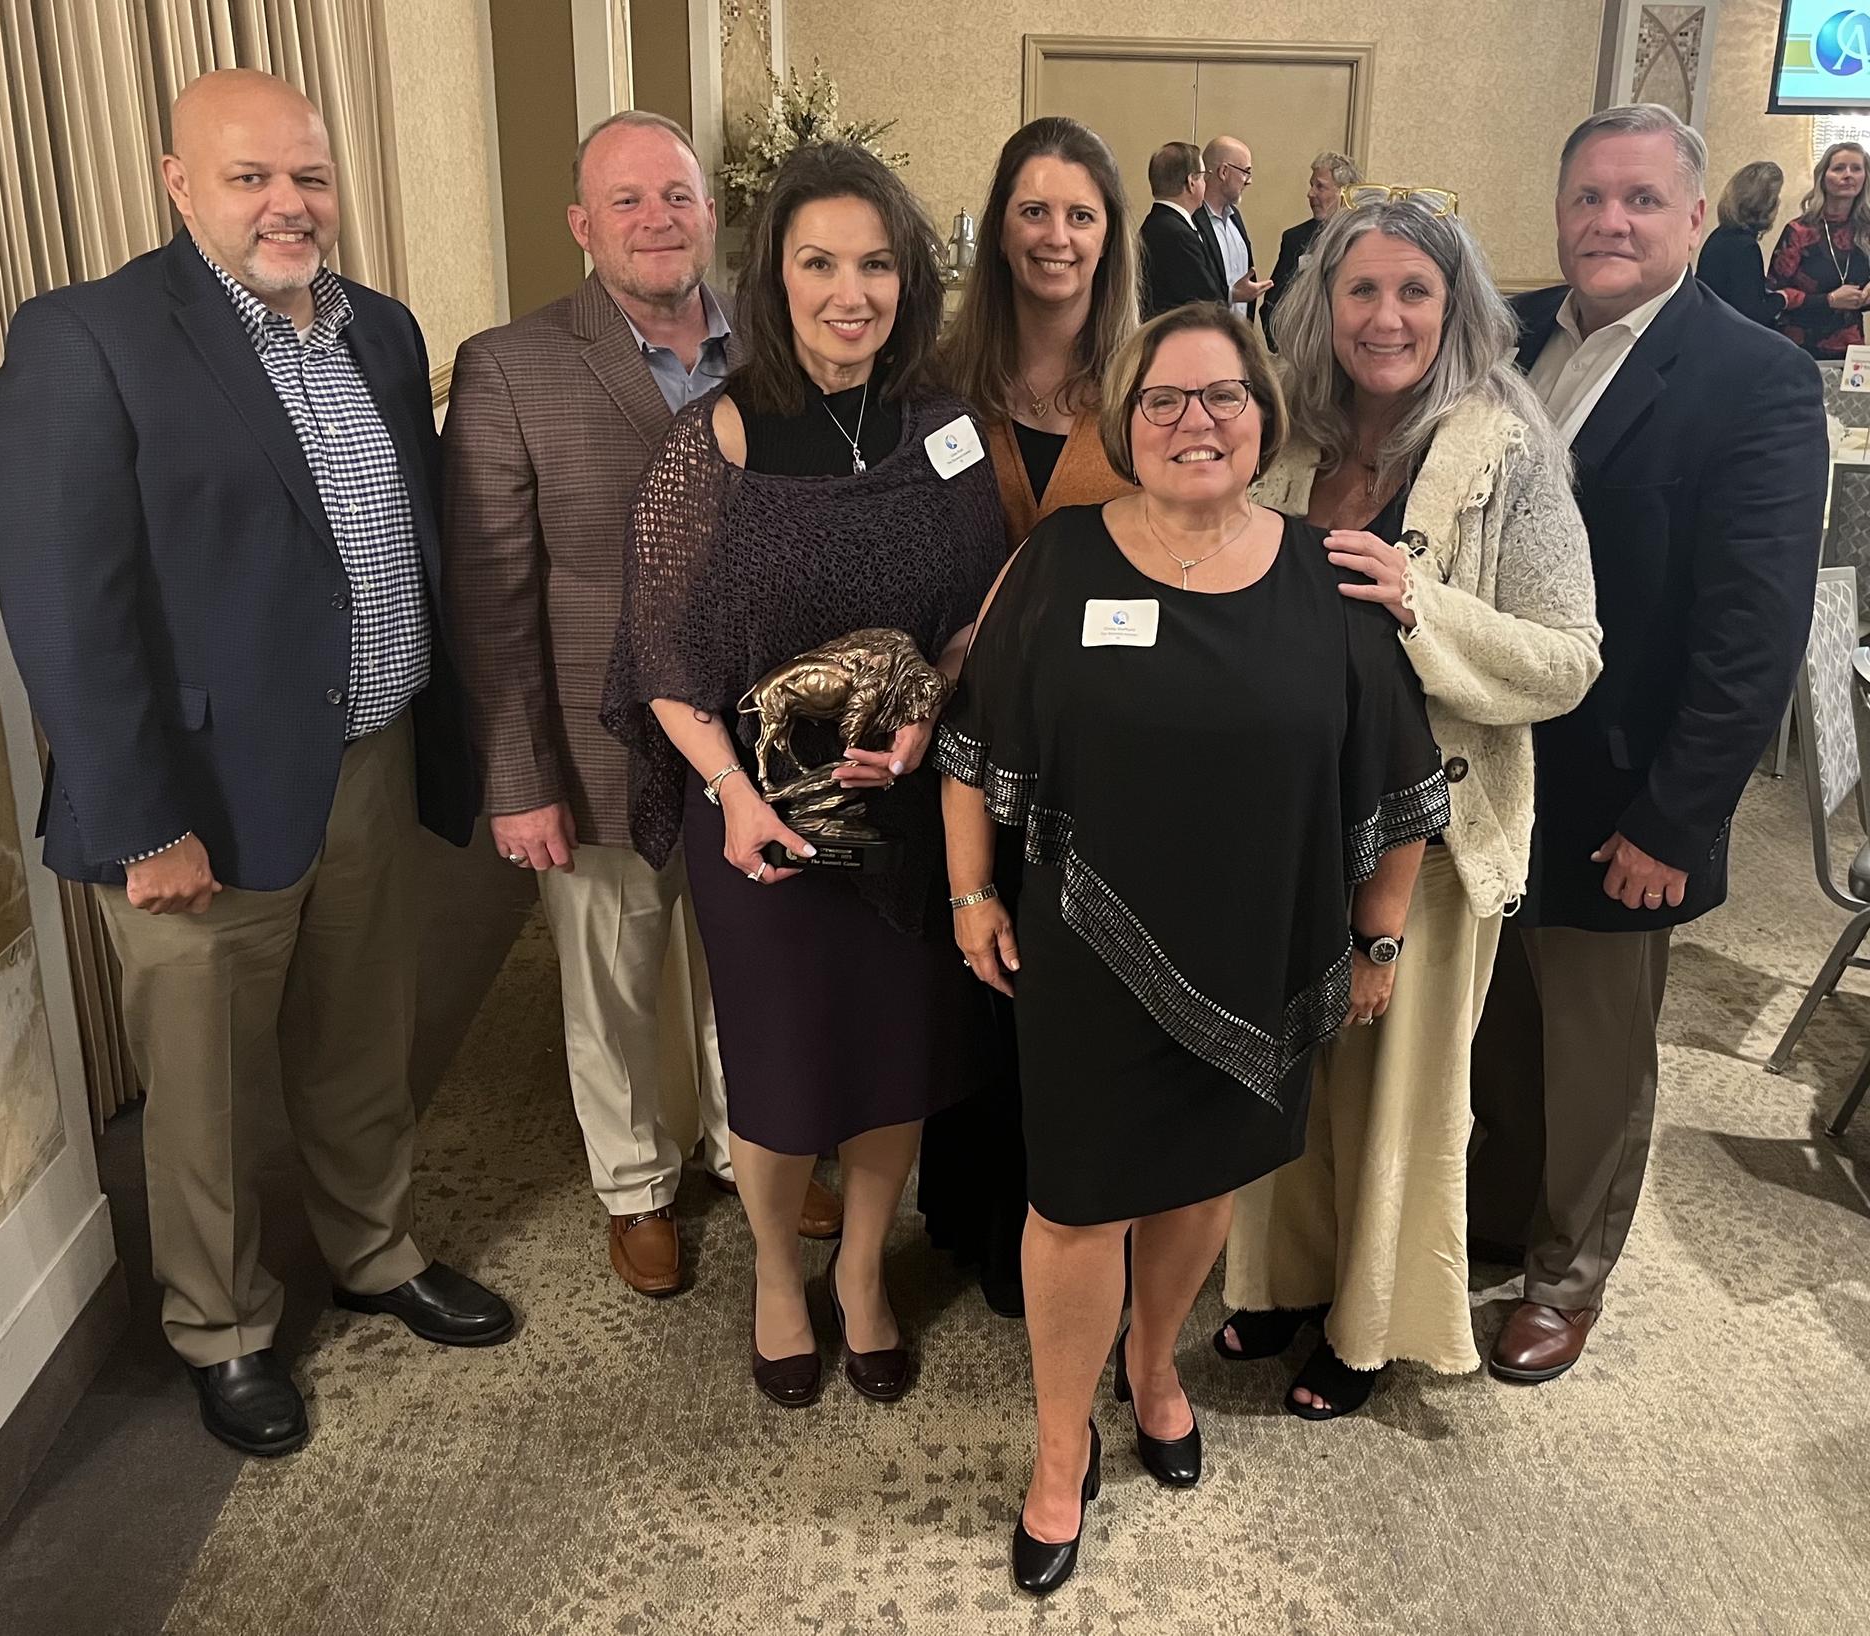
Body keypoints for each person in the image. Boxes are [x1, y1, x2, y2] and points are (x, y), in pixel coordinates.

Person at [0, 70, 512, 1458]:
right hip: (196, 804)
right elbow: (66, 611)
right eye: (250, 178)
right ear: (176, 183)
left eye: (310, 176)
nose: (289, 204)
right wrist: (143, 818)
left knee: (358, 1042)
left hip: (369, 757)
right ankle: (219, 1328)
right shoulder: (88, 338)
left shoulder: (382, 333)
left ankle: (375, 1249)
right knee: (206, 1088)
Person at [939, 302, 1446, 1595]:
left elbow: (1399, 782)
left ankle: (1154, 1364)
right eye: (1163, 399)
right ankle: (1061, 1452)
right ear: (1123, 420)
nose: (1194, 422)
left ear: (1266, 420)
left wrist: (1375, 941)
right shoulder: (1059, 562)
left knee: (1201, 1186)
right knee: (1073, 1205)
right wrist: (967, 893)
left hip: (1258, 951)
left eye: (1223, 397)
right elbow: (971, 736)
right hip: (1083, 950)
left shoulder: (1327, 572)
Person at [601, 142, 1006, 1409]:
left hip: (900, 811)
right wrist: (729, 794)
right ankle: (781, 1272)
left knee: (895, 1062)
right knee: (781, 1078)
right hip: (760, 820)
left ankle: (866, 1275)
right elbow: (660, 654)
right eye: (819, 262)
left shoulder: (942, 429)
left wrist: (935, 708)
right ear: (773, 278)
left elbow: (977, 608)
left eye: (876, 264)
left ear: (909, 278)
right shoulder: (711, 437)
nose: (851, 291)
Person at [442, 112, 840, 1302]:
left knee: (752, 960)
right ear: (581, 225)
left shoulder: (780, 350)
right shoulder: (509, 366)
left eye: (675, 197)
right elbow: (492, 594)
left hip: (760, 731)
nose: (656, 221)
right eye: (626, 201)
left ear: (711, 214)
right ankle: (636, 1187)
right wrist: (518, 781)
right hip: (594, 737)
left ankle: (744, 1145)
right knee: (612, 975)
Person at [1218, 201, 1602, 1419]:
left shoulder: (1506, 451)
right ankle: (1277, 1277)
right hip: (1281, 824)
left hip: (1426, 836)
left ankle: (1366, 1323)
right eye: (1363, 292)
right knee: (1285, 1069)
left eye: (1415, 294)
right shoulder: (1287, 440)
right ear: (1322, 307)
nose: (1387, 318)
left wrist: (1420, 602)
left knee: (1398, 1094)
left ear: (1456, 309)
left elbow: (1568, 657)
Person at [1470, 103, 1826, 1383]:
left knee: (1597, 1050)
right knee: (1497, 1022)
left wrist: (1679, 819)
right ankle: (1497, 1219)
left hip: (1625, 786)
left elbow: (1754, 631)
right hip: (1488, 767)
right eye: (1586, 199)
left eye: (1637, 201)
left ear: (1690, 217)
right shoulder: (1499, 332)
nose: (1607, 222)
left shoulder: (1756, 379)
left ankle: (1568, 1273)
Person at [919, 117, 1140, 1317]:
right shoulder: (937, 377)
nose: (1056, 237)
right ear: (999, 226)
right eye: (1034, 211)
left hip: (1097, 748)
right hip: (953, 737)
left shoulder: (1151, 381)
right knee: (967, 969)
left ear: (1110, 237)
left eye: (1081, 214)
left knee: (1074, 979)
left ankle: (1071, 1213)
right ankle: (971, 1208)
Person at [1768, 140, 1870, 358]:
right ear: (1823, 177)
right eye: (1839, 168)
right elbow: (1774, 295)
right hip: (1797, 348)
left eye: (1856, 168)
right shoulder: (1799, 230)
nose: (1848, 175)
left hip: (1849, 352)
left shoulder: (1866, 231)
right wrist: (1829, 300)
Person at [1260, 151, 1359, 347]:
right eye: (1311, 185)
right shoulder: (1295, 239)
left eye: (1320, 186)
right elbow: (1272, 304)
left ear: (1345, 192)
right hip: (1297, 356)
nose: (1310, 193)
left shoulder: (1364, 241)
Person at [1698, 161, 1787, 328]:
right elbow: (1752, 315)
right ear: (1764, 205)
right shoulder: (1745, 248)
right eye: (1776, 198)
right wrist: (1782, 298)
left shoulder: (1719, 236)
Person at [1139, 142, 1222, 315]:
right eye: (1204, 176)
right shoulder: (1177, 235)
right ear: (1192, 182)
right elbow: (1204, 301)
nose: (1205, 184)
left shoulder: (1156, 223)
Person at [1196, 133, 1272, 319]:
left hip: (1237, 341)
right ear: (1224, 172)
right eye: (1246, 172)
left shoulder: (1235, 218)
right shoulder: (1191, 221)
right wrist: (1231, 295)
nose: (1249, 180)